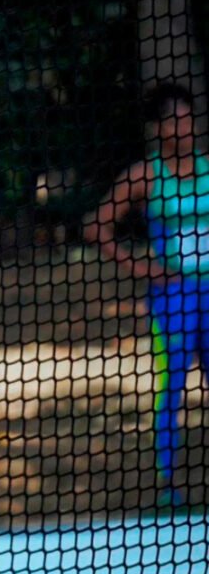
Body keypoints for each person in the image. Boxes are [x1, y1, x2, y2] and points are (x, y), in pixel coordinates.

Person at [84, 84, 205, 506]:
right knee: (170, 384)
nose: (183, 126)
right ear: (157, 128)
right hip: (172, 296)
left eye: (187, 117)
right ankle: (168, 482)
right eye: (173, 119)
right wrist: (141, 268)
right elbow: (96, 227)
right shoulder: (145, 175)